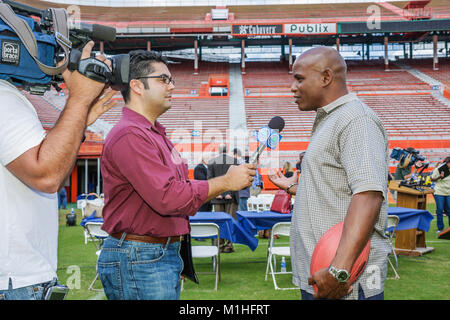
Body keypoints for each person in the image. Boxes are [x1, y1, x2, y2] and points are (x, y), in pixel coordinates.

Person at [98, 50, 255, 300]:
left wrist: (175, 251)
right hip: (142, 255)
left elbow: (177, 190)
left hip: (156, 252)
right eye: (163, 79)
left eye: (171, 79)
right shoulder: (131, 135)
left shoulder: (153, 133)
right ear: (137, 86)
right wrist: (225, 181)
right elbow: (168, 197)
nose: (172, 86)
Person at [269, 46, 390, 300]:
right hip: (324, 274)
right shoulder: (331, 119)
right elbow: (333, 190)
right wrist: (292, 188)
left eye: (299, 78)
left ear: (326, 78)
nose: (293, 87)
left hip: (342, 281)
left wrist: (339, 271)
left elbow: (369, 195)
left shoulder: (356, 119)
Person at [0, 41, 117, 300]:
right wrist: (79, 98)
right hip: (14, 281)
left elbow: (56, 171)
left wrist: (78, 123)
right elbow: (47, 176)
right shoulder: (3, 97)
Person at [207, 144, 240, 253]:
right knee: (230, 221)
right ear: (227, 150)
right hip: (231, 195)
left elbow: (210, 179)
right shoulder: (234, 161)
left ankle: (220, 246)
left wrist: (217, 193)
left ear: (219, 150)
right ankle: (229, 245)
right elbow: (236, 179)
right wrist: (229, 192)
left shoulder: (212, 161)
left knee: (219, 222)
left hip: (217, 196)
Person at [430, 156, 450, 233]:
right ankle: (440, 228)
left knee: (449, 210)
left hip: (449, 192)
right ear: (447, 163)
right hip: (439, 192)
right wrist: (439, 177)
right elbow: (432, 179)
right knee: (440, 210)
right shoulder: (438, 169)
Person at [233, 148, 251, 212]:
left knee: (242, 211)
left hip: (242, 192)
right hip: (241, 192)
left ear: (236, 154)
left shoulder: (240, 164)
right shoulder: (242, 163)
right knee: (241, 210)